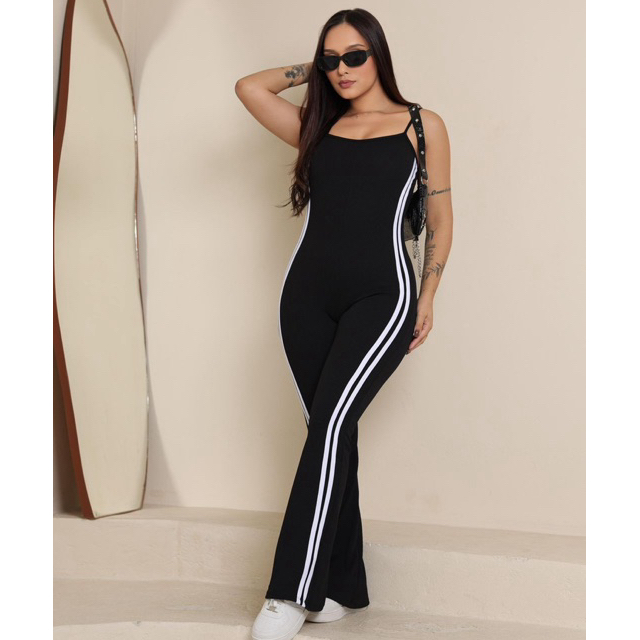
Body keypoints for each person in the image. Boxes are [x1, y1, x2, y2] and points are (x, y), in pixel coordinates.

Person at [235, 8, 453, 640]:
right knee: (332, 432)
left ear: (379, 55)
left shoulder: (421, 126)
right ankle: (343, 587)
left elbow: (441, 219)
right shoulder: (316, 127)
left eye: (355, 56)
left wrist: (429, 294)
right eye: (331, 60)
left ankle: (291, 591)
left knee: (330, 426)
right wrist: (315, 69)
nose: (342, 70)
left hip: (383, 295)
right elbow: (250, 87)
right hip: (304, 299)